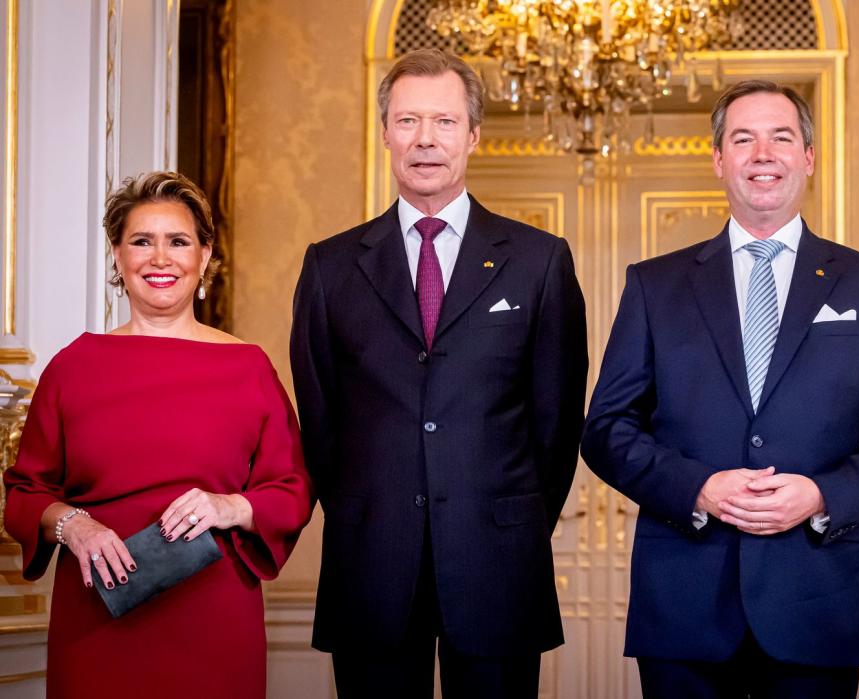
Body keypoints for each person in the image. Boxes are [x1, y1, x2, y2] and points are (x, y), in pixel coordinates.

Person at [581, 80, 859, 698]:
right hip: (684, 602)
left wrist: (823, 495)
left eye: (781, 137)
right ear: (719, 159)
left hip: (815, 596)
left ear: (808, 156)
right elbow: (607, 430)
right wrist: (698, 487)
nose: (763, 154)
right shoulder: (654, 286)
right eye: (743, 139)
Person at [289, 48, 588, 698]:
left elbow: (558, 422)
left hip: (498, 563)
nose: (426, 139)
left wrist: (514, 517)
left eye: (445, 122)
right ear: (387, 133)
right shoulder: (330, 267)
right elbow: (320, 419)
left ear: (474, 135)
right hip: (370, 559)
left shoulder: (539, 262)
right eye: (409, 121)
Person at [2, 171, 313, 698]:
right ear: (118, 256)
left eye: (179, 241)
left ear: (205, 255)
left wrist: (226, 506)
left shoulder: (249, 368)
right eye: (141, 241)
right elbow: (26, 496)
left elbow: (292, 492)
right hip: (96, 619)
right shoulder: (73, 367)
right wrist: (73, 526)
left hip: (215, 622)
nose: (160, 258)